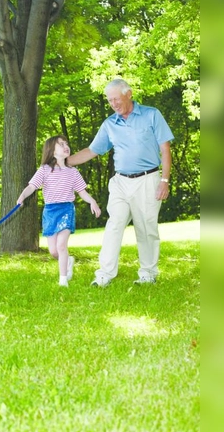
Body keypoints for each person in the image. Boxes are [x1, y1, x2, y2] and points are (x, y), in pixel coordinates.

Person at [66, 78, 174, 287]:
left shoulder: (151, 115)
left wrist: (165, 180)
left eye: (116, 98)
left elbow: (165, 149)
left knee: (146, 228)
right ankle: (104, 275)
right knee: (114, 224)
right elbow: (92, 151)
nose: (113, 104)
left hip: (148, 179)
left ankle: (148, 273)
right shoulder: (109, 124)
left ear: (129, 94)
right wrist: (63, 161)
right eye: (109, 101)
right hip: (120, 182)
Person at [17, 135, 101, 287]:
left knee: (62, 245)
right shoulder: (44, 170)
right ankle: (68, 261)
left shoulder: (73, 172)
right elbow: (32, 186)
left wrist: (92, 201)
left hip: (66, 209)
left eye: (66, 143)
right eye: (61, 144)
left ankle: (63, 279)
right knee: (54, 251)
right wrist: (22, 197)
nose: (65, 146)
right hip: (50, 211)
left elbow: (82, 191)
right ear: (52, 151)